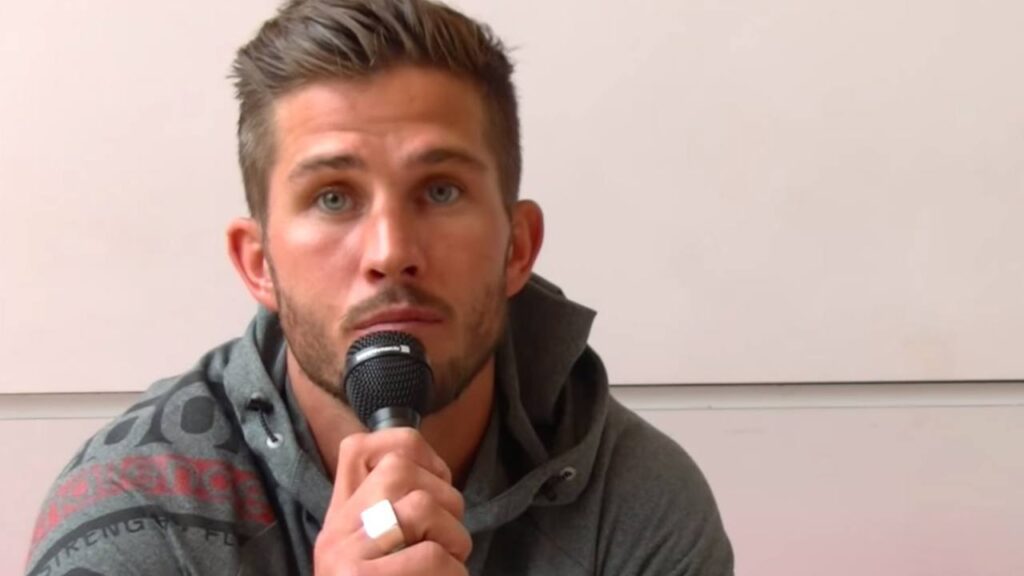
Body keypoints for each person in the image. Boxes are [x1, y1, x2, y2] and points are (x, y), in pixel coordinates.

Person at [25, 1, 733, 574]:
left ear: (517, 248)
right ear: (258, 263)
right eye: (333, 198)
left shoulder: (636, 502)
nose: (391, 253)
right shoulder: (131, 514)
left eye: (441, 190)